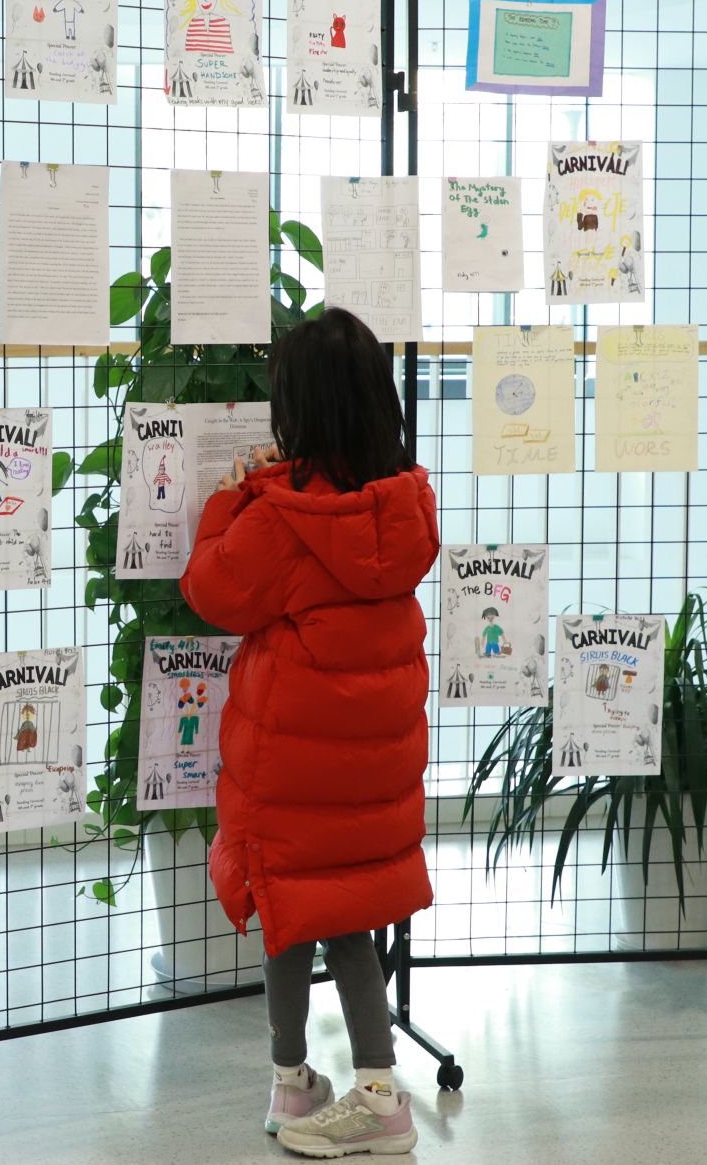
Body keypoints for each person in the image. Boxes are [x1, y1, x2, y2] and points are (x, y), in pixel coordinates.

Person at [180, 306, 437, 1158]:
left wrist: (233, 494)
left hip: (293, 768)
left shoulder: (281, 520)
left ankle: (374, 1098)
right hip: (371, 767)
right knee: (338, 911)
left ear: (302, 409)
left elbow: (211, 588)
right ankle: (300, 1084)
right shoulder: (402, 505)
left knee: (290, 910)